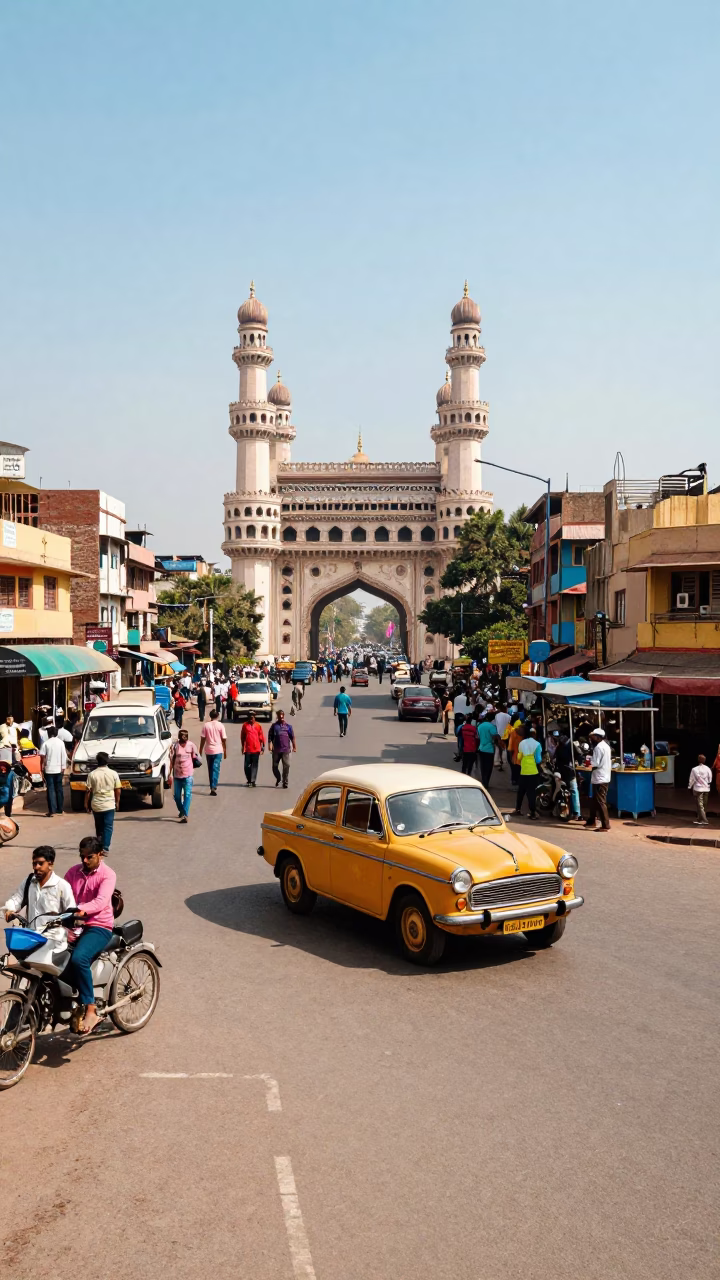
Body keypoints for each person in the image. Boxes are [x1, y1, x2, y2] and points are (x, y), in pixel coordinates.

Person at [65, 837, 117, 1034]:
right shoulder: (72, 872)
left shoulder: (108, 875)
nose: (85, 861)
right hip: (74, 923)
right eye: (82, 857)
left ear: (100, 855)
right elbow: (63, 896)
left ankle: (90, 1008)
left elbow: (101, 902)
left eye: (89, 857)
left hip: (98, 926)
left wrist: (79, 910)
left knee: (79, 959)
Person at [4, 845, 76, 945]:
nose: (36, 867)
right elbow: (17, 898)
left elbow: (71, 911)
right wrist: (10, 909)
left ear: (50, 865)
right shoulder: (29, 881)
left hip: (53, 938)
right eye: (34, 863)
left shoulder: (62, 885)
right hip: (31, 935)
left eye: (40, 863)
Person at [85, 751, 121, 852]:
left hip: (96, 804)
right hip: (109, 804)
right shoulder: (113, 774)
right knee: (108, 826)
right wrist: (117, 802)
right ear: (107, 761)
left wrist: (86, 803)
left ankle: (99, 844)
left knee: (99, 826)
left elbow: (88, 791)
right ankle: (105, 847)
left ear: (97, 761)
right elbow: (118, 789)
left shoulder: (92, 774)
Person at [169, 728, 201, 822]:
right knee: (177, 796)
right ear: (179, 738)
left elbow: (196, 757)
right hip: (177, 775)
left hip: (188, 775)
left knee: (187, 794)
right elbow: (172, 760)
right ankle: (182, 810)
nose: (183, 742)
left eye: (185, 739)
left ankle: (185, 815)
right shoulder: (175, 746)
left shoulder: (191, 745)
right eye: (182, 740)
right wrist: (169, 774)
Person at [585, 728, 612, 831]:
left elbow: (596, 763)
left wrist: (588, 763)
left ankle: (605, 825)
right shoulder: (606, 746)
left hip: (600, 777)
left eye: (593, 736)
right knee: (595, 800)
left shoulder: (598, 748)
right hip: (603, 776)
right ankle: (592, 820)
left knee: (600, 801)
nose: (592, 738)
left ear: (598, 737)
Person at [39, 725, 67, 817]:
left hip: (49, 769)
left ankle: (52, 811)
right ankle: (60, 809)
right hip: (59, 769)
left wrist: (41, 768)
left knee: (50, 789)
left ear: (48, 734)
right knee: (59, 789)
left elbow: (42, 757)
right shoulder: (61, 743)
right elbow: (64, 756)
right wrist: (63, 767)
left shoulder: (46, 743)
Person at [515, 726, 542, 819]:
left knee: (521, 791)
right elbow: (538, 760)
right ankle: (533, 812)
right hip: (533, 771)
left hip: (523, 770)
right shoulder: (537, 744)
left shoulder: (522, 743)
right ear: (534, 735)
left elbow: (519, 757)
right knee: (531, 792)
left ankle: (517, 809)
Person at [555, 732, 582, 821]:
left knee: (570, 790)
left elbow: (555, 760)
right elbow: (580, 756)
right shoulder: (569, 746)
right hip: (569, 772)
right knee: (574, 790)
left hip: (565, 772)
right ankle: (577, 812)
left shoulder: (563, 747)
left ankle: (576, 812)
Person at [200, 708, 227, 795]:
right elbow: (223, 739)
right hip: (218, 750)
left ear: (210, 716)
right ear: (217, 716)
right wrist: (225, 750)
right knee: (216, 769)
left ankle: (212, 785)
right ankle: (213, 786)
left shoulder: (206, 725)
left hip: (209, 750)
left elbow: (203, 739)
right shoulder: (220, 725)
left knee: (210, 769)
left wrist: (200, 749)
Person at [268, 709, 296, 789]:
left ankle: (285, 782)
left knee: (286, 765)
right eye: (279, 715)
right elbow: (270, 736)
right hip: (276, 750)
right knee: (274, 767)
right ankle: (278, 778)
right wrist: (269, 745)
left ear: (284, 715)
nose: (281, 716)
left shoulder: (288, 726)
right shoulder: (274, 726)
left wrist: (294, 747)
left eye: (282, 715)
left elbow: (292, 737)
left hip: (285, 750)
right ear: (277, 716)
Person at [240, 712, 265, 786]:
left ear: (255, 717)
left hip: (256, 749)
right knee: (246, 766)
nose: (251, 719)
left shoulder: (258, 725)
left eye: (252, 717)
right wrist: (242, 747)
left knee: (254, 765)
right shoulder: (245, 725)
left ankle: (253, 781)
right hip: (247, 749)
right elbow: (242, 737)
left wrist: (262, 747)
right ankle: (249, 779)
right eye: (250, 717)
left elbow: (261, 737)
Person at [688, 753, 712, 826]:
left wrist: (689, 787)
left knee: (700, 805)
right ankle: (699, 819)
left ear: (698, 760)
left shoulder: (694, 769)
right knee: (704, 805)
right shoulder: (708, 769)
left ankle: (704, 820)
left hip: (698, 789)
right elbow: (710, 779)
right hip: (706, 789)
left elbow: (691, 780)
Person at [476, 714, 498, 788]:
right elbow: (495, 736)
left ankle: (484, 780)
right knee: (489, 766)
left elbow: (477, 737)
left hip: (481, 748)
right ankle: (486, 782)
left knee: (483, 766)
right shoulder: (492, 727)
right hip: (490, 749)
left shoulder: (480, 726)